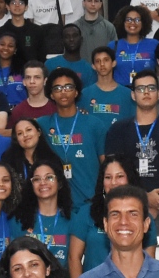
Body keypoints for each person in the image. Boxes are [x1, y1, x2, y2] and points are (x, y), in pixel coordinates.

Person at [104, 70, 159, 209]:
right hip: (127, 204)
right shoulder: (117, 130)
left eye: (151, 88)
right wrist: (144, 197)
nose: (146, 92)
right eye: (140, 89)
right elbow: (113, 175)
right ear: (133, 95)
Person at [69, 157, 158, 275]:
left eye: (120, 176)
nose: (114, 182)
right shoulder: (86, 213)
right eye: (108, 177)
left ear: (129, 178)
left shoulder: (144, 216)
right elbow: (73, 258)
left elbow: (149, 263)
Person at [37, 68, 107, 207]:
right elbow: (19, 130)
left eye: (68, 87)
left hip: (90, 202)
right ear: (51, 94)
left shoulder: (95, 124)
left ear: (76, 92)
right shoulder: (42, 124)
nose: (63, 92)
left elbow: (106, 165)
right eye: (57, 88)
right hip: (56, 204)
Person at [14, 161, 76, 266]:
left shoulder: (73, 220)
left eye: (49, 177)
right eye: (37, 179)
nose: (43, 183)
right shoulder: (19, 220)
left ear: (59, 183)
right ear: (31, 185)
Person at [79, 46, 133, 130]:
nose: (102, 64)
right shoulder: (84, 94)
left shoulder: (127, 94)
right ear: (93, 66)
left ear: (114, 63)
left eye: (106, 60)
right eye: (98, 61)